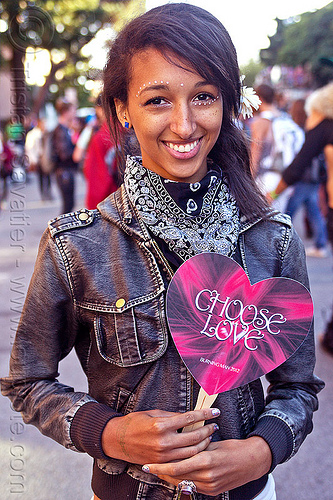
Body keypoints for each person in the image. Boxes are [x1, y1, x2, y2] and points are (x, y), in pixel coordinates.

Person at [1, 4, 324, 500]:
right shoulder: (75, 245)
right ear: (123, 109)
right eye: (157, 100)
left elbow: (298, 385)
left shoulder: (271, 237)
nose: (184, 123)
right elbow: (28, 381)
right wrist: (109, 434)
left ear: (228, 104)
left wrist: (262, 450)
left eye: (204, 97)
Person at [283, 98, 328, 257]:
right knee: (314, 211)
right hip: (314, 178)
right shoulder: (311, 129)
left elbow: (298, 160)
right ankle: (320, 244)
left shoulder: (300, 130)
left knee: (287, 213)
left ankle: (281, 245)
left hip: (303, 178)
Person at [82, 97, 120, 209]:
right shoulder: (130, 131)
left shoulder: (101, 137)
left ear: (100, 109)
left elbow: (97, 177)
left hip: (110, 201)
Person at [53, 98, 78, 213]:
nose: (74, 113)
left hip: (66, 171)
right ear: (66, 112)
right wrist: (76, 150)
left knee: (69, 204)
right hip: (64, 172)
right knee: (68, 205)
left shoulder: (65, 129)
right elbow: (64, 153)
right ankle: (60, 229)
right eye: (73, 110)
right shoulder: (61, 130)